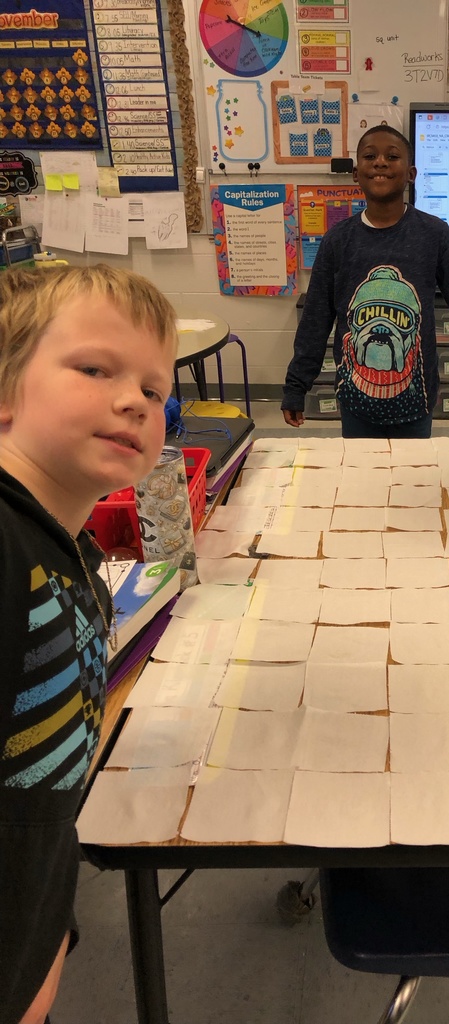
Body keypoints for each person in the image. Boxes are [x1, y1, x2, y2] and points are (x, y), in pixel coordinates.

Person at [0, 264, 177, 1024]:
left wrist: (46, 923)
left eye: (155, 390)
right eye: (96, 369)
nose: (134, 399)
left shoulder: (64, 547)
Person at [282, 125, 449, 437]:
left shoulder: (434, 235)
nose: (380, 162)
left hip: (416, 403)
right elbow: (315, 321)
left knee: (416, 469)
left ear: (411, 174)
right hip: (354, 403)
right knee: (360, 469)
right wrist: (297, 385)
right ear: (356, 174)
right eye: (370, 156)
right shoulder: (337, 241)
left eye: (392, 156)